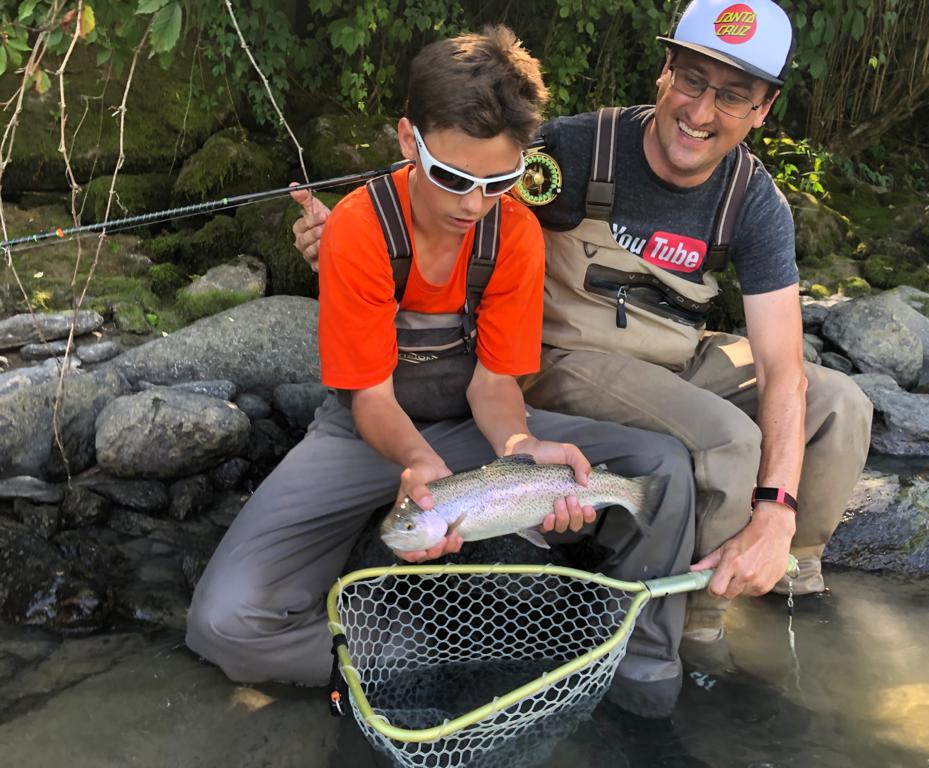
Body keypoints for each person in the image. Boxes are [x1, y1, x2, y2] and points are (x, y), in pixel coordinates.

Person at [291, 0, 873, 672]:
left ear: (764, 107)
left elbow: (782, 365)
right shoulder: (572, 147)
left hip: (677, 361)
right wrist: (346, 235)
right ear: (664, 70)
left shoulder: (756, 202)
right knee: (729, 439)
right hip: (566, 359)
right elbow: (447, 168)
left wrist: (775, 512)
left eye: (733, 95)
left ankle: (779, 565)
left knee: (841, 407)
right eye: (691, 80)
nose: (702, 112)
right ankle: (698, 621)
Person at [187, 25, 697, 719]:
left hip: (475, 431)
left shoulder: (513, 232)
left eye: (499, 181)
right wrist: (423, 469)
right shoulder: (359, 231)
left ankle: (630, 659)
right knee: (221, 623)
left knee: (661, 463)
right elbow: (368, 397)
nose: (472, 203)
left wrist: (521, 452)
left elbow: (494, 384)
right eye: (454, 177)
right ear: (408, 141)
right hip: (364, 433)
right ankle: (409, 653)